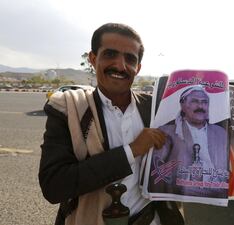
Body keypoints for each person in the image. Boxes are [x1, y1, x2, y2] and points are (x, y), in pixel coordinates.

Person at [39, 23, 183, 225]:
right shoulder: (69, 109)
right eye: (110, 55)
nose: (120, 65)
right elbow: (54, 186)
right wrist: (132, 150)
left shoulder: (154, 109)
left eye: (130, 59)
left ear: (138, 68)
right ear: (93, 59)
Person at [149, 86, 230, 198]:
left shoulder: (220, 133)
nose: (200, 106)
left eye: (204, 102)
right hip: (182, 192)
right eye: (194, 101)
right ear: (182, 105)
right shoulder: (167, 132)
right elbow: (156, 172)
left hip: (217, 191)